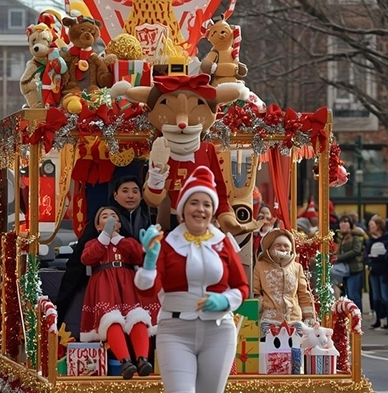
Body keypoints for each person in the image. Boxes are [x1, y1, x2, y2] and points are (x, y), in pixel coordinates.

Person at [135, 166, 248, 393]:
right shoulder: (167, 243)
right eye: (194, 202)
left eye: (207, 204)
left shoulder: (223, 243)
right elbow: (147, 292)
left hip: (218, 330)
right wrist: (149, 262)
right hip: (176, 330)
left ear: (213, 211)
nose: (200, 209)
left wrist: (225, 301)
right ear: (182, 210)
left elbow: (242, 287)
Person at [56, 176, 151, 332]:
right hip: (105, 280)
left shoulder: (147, 219)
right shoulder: (104, 217)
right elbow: (81, 258)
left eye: (135, 191)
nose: (130, 196)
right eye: (125, 191)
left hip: (135, 280)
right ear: (115, 195)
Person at [80, 206, 154, 379]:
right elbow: (87, 258)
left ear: (120, 224)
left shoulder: (127, 241)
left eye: (114, 216)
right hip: (104, 285)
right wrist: (105, 237)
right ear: (98, 226)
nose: (110, 218)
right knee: (110, 320)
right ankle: (125, 362)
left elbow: (138, 255)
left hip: (127, 284)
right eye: (105, 216)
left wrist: (117, 238)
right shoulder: (92, 243)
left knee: (137, 318)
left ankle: (143, 359)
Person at [253, 228, 315, 335]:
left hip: (294, 319)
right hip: (269, 320)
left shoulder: (297, 267)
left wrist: (309, 316)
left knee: (296, 349)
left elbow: (303, 294)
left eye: (286, 246)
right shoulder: (260, 266)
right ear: (270, 247)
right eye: (278, 245)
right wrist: (263, 305)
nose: (283, 248)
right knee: (270, 350)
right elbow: (255, 291)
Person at [366, 215, 388, 330]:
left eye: (372, 225)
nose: (370, 228)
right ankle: (379, 319)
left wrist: (377, 258)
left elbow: (387, 254)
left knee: (385, 296)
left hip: (384, 271)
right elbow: (366, 255)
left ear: (378, 226)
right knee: (376, 297)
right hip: (373, 271)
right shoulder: (369, 240)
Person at [334, 215, 366, 312]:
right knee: (347, 295)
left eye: (346, 222)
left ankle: (357, 316)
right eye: (341, 222)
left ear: (351, 225)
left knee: (354, 295)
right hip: (344, 270)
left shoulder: (356, 236)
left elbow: (356, 250)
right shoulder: (341, 238)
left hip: (354, 269)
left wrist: (338, 258)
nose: (343, 224)